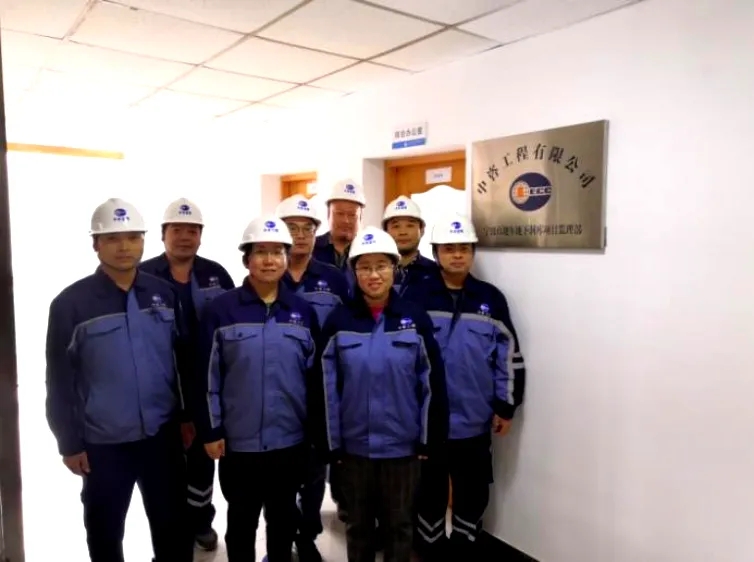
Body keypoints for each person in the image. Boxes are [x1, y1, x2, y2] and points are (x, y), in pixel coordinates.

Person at [45, 198, 193, 562]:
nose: (124, 246)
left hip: (161, 437)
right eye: (112, 238)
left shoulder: (164, 294)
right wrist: (68, 442)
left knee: (173, 528)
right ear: (95, 244)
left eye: (132, 237)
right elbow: (59, 379)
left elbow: (184, 363)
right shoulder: (71, 303)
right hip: (103, 443)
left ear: (144, 241)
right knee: (105, 531)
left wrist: (188, 418)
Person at [196, 215, 323, 562]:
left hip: (289, 441)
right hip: (239, 442)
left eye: (277, 252)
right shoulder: (222, 311)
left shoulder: (302, 312)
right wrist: (211, 430)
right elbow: (207, 376)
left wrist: (314, 434)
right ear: (246, 259)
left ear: (286, 258)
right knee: (241, 523)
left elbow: (315, 380)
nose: (269, 260)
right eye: (261, 252)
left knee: (283, 522)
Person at [318, 226, 448, 562]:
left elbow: (432, 383)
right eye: (364, 267)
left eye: (381, 266)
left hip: (402, 448)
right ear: (354, 272)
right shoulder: (339, 321)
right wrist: (332, 445)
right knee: (358, 528)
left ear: (394, 268)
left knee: (399, 526)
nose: (373, 275)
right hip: (353, 449)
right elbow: (325, 387)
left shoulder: (414, 319)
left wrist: (427, 440)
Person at [408, 215, 527, 559]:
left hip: (475, 417)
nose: (457, 255)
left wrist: (507, 406)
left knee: (472, 490)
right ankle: (429, 548)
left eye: (464, 248)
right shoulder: (417, 296)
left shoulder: (490, 299)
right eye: (449, 249)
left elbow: (509, 356)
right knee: (428, 489)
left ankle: (465, 547)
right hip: (427, 419)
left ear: (473, 252)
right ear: (436, 253)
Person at [139, 197, 234, 551]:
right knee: (166, 462)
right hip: (159, 384)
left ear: (200, 236)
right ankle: (172, 528)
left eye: (192, 230)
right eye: (177, 230)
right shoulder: (144, 276)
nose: (184, 237)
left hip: (206, 384)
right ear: (163, 234)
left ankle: (200, 521)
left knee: (202, 460)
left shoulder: (216, 274)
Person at [276, 194, 349, 562]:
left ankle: (306, 536)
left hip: (321, 390)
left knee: (314, 471)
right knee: (278, 472)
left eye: (308, 228)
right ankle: (281, 535)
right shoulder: (266, 274)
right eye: (292, 228)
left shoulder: (334, 279)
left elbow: (348, 328)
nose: (301, 235)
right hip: (276, 388)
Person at [381, 195, 439, 296]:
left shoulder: (436, 272)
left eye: (410, 225)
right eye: (396, 226)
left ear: (422, 230)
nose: (403, 232)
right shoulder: (375, 272)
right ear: (385, 232)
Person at [313, 178, 366, 284]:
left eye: (352, 215)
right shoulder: (312, 249)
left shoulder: (366, 251)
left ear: (360, 218)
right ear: (328, 214)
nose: (346, 221)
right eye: (339, 213)